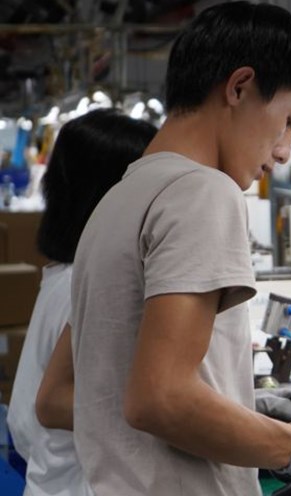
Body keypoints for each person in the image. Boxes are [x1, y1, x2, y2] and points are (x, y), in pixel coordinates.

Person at [63, 3, 291, 496]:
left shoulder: (121, 196)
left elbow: (108, 389)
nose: (285, 151)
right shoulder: (203, 191)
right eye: (288, 120)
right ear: (239, 87)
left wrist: (238, 408)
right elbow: (159, 398)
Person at [7, 108, 157, 496]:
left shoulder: (65, 275)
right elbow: (54, 405)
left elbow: (26, 421)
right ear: (114, 193)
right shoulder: (88, 284)